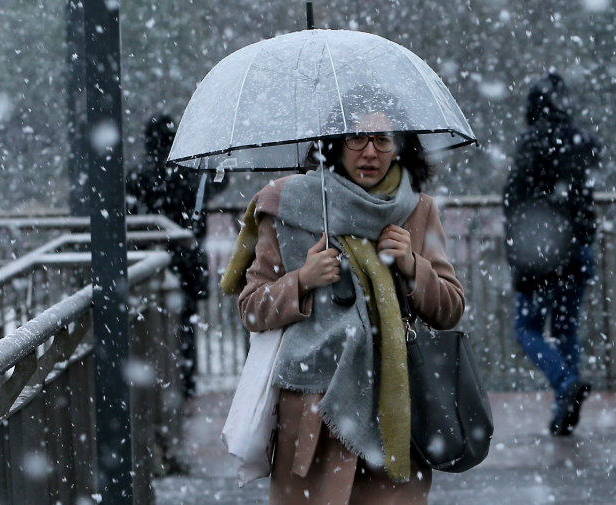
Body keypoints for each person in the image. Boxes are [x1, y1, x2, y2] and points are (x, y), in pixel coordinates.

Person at [227, 88, 465, 504]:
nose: (370, 152)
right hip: (313, 415)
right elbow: (251, 309)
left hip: (394, 408)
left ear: (399, 146)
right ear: (335, 144)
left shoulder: (417, 210)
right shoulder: (287, 204)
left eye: (383, 139)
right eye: (356, 138)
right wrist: (302, 280)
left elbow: (450, 309)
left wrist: (412, 265)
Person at [503, 73, 601, 437]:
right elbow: (584, 199)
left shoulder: (531, 143)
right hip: (577, 248)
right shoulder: (581, 143)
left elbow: (514, 199)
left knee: (527, 328)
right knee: (565, 327)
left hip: (540, 250)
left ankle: (564, 383)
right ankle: (564, 408)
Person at [125, 113, 229, 397]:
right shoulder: (191, 173)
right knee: (185, 324)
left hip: (150, 264)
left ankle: (155, 387)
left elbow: (131, 214)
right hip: (187, 259)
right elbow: (219, 183)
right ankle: (185, 382)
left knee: (149, 326)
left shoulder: (137, 176)